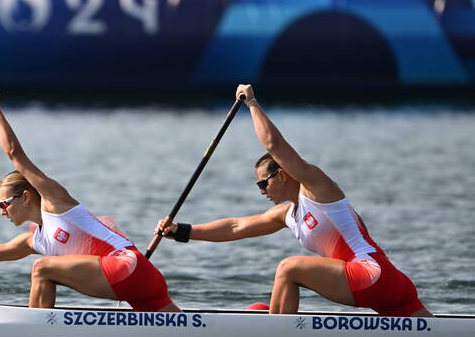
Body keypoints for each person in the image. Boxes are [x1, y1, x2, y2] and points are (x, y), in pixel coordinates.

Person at [156, 84, 432, 317]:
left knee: (289, 268)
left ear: (284, 173)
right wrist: (181, 231)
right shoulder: (287, 214)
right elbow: (235, 227)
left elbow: (274, 146)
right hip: (393, 283)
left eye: (264, 182)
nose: (262, 190)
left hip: (370, 274)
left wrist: (251, 103)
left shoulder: (317, 188)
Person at [0, 89, 181, 312]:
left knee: (42, 268)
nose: (2, 212)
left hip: (128, 266)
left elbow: (14, 155)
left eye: (4, 204)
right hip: (145, 283)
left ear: (26, 197)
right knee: (183, 333)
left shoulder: (56, 203)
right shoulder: (34, 240)